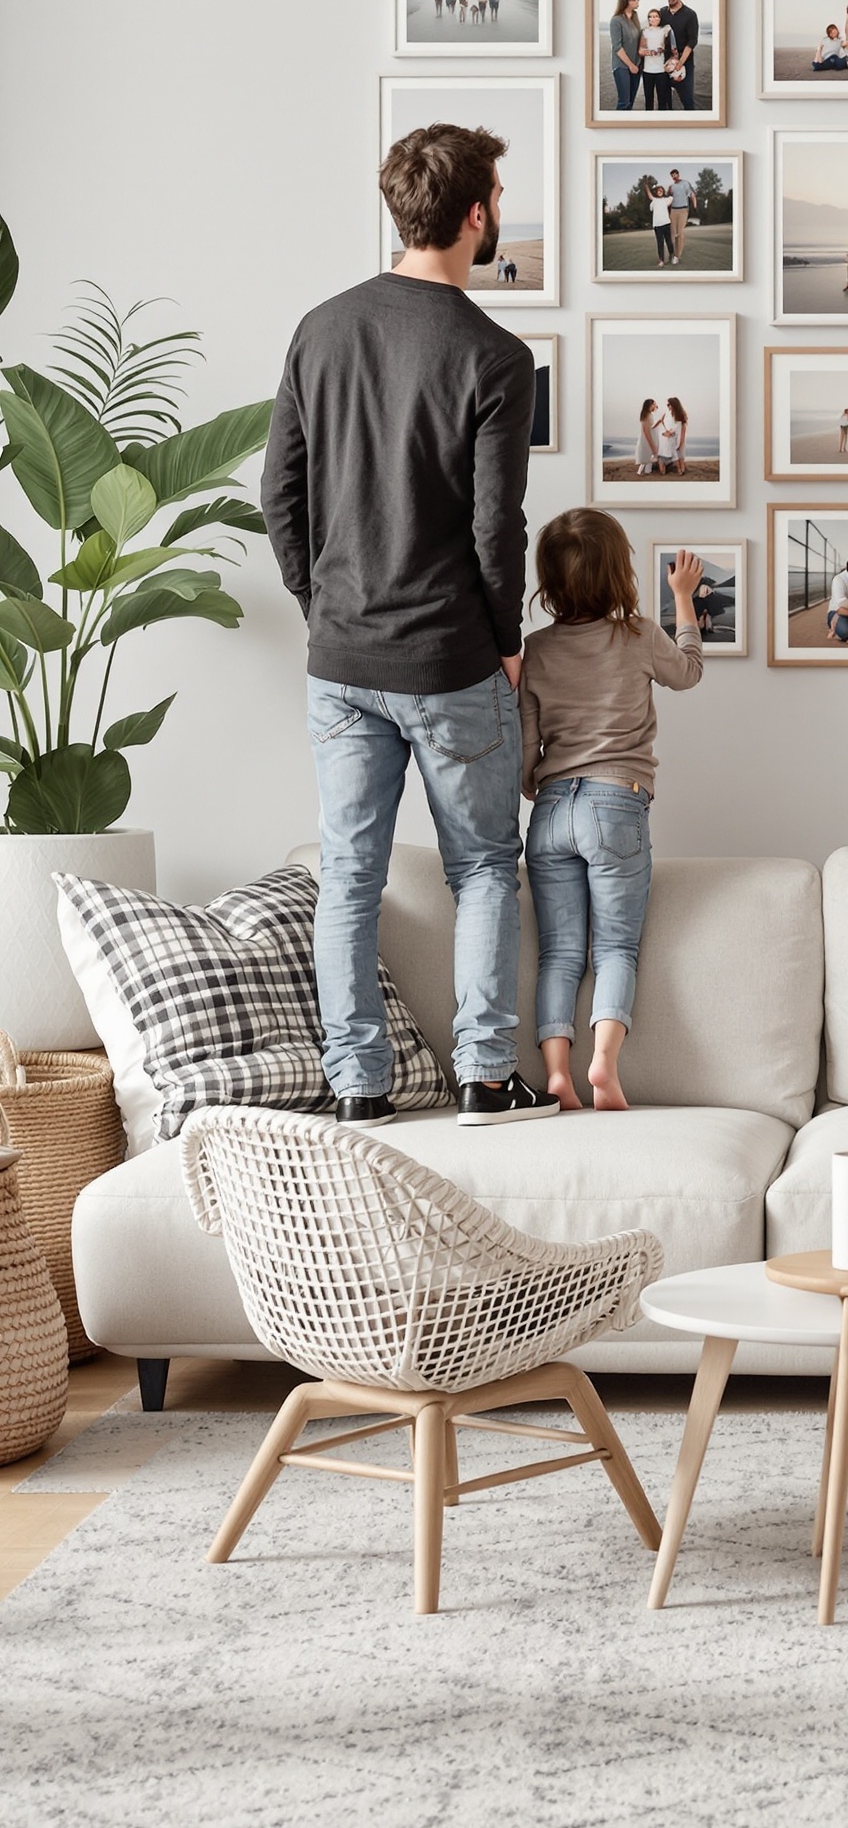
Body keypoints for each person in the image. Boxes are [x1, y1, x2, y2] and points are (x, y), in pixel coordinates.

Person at [262, 121, 550, 1129]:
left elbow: (279, 498)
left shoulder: (320, 328)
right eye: (497, 200)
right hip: (451, 661)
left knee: (350, 877)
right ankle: (482, 1078)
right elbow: (494, 525)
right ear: (476, 214)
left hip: (341, 658)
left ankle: (358, 1089)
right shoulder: (498, 356)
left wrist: (321, 606)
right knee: (480, 867)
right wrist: (506, 639)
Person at [521, 512, 704, 1112]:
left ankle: (555, 1074)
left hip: (550, 811)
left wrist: (539, 783)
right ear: (620, 575)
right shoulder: (639, 635)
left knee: (560, 954)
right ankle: (602, 1063)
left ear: (548, 580)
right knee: (615, 950)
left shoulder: (536, 650)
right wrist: (682, 599)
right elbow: (689, 673)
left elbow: (526, 757)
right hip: (615, 803)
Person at [659, 0, 699, 110]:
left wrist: (680, 63)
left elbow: (692, 40)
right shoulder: (662, 13)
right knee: (663, 101)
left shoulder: (690, 14)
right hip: (664, 62)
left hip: (684, 61)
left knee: (687, 99)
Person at [609, 0, 642, 113]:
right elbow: (617, 47)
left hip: (636, 65)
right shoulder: (616, 21)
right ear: (627, 1)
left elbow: (639, 41)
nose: (638, 1)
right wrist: (630, 65)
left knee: (631, 102)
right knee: (624, 102)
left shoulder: (635, 18)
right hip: (622, 66)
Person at [638, 8, 675, 110]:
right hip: (647, 70)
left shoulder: (665, 30)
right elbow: (640, 51)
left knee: (662, 100)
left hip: (662, 70)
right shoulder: (644, 31)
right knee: (648, 100)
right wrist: (651, 52)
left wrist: (663, 50)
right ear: (648, 19)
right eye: (651, 16)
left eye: (656, 16)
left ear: (660, 18)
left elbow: (672, 47)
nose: (653, 19)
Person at [667, 168, 696, 263]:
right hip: (673, 211)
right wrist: (668, 193)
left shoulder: (685, 183)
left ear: (678, 174)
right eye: (672, 175)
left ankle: (677, 256)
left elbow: (691, 195)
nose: (674, 176)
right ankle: (673, 252)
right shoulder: (671, 186)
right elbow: (668, 198)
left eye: (675, 174)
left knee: (680, 233)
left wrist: (695, 207)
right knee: (673, 234)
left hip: (683, 209)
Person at [658, 395, 689, 474]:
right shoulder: (668, 414)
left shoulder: (680, 416)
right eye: (667, 405)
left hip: (679, 437)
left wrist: (681, 442)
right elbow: (663, 422)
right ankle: (671, 466)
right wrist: (667, 431)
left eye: (669, 404)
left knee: (680, 456)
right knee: (672, 453)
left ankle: (680, 468)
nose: (668, 406)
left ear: (674, 405)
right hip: (671, 438)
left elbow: (682, 431)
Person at [647, 179, 673, 266]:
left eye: (661, 190)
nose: (660, 191)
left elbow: (672, 196)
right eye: (658, 191)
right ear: (656, 192)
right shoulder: (653, 201)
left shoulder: (666, 200)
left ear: (663, 192)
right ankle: (661, 260)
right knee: (660, 243)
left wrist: (669, 189)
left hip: (666, 224)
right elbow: (650, 196)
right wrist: (646, 186)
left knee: (669, 241)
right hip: (657, 226)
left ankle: (672, 255)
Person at [635, 397, 661, 474]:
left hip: (650, 437)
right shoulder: (646, 415)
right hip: (647, 439)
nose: (655, 406)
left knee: (648, 457)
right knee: (647, 455)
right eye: (654, 404)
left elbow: (651, 427)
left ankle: (645, 471)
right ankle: (642, 472)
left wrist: (659, 422)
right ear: (651, 404)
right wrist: (652, 444)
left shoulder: (649, 414)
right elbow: (646, 431)